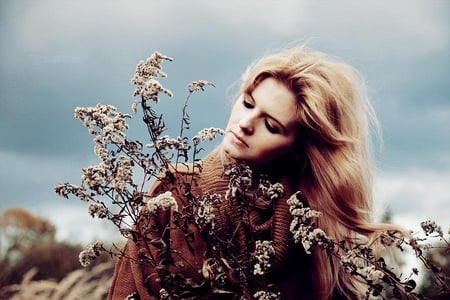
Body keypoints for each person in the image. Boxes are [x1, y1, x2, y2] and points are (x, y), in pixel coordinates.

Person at [109, 47, 399, 299]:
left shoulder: (313, 233)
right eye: (247, 102)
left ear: (298, 149)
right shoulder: (175, 193)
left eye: (271, 126)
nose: (246, 123)